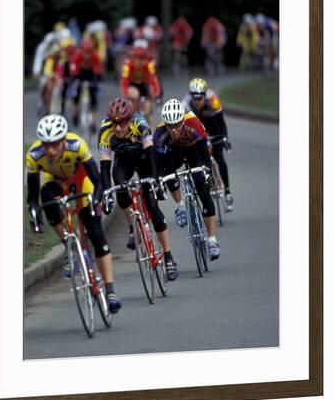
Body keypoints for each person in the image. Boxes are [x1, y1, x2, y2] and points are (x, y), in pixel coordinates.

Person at [26, 114, 122, 313]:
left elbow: (97, 180)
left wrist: (96, 199)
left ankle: (110, 290)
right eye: (46, 144)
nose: (50, 150)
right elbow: (33, 198)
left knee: (96, 233)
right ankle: (71, 247)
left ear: (63, 140)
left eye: (55, 144)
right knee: (47, 199)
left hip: (81, 181)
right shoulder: (34, 155)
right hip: (55, 183)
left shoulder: (77, 145)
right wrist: (35, 216)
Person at [98, 98, 179, 281]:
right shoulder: (105, 131)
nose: (117, 127)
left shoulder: (140, 124)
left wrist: (155, 181)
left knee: (152, 204)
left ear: (129, 119)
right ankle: (132, 227)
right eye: (114, 122)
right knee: (119, 190)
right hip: (123, 161)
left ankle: (168, 257)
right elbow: (104, 167)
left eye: (122, 123)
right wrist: (106, 195)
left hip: (144, 160)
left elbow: (152, 155)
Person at [153, 99, 223, 261]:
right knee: (168, 172)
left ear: (183, 120)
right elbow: (157, 161)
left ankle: (212, 241)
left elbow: (205, 155)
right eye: (170, 126)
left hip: (195, 151)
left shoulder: (194, 123)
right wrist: (158, 181)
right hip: (174, 153)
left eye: (177, 125)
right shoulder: (160, 132)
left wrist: (207, 176)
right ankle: (180, 206)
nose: (174, 130)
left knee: (204, 189)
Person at [183, 78, 234, 210]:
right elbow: (185, 127)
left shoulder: (213, 101)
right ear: (190, 96)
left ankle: (227, 192)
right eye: (194, 97)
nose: (197, 101)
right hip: (198, 128)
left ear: (205, 95)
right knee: (203, 161)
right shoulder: (186, 104)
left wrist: (224, 139)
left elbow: (221, 122)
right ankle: (208, 185)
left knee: (219, 158)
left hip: (213, 126)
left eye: (200, 98)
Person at [120, 45, 162, 127]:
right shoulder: (127, 65)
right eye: (138, 59)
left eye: (142, 59)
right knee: (135, 95)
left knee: (148, 109)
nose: (140, 62)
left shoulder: (149, 65)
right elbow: (123, 82)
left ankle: (149, 130)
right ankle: (133, 116)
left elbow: (154, 80)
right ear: (133, 58)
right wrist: (126, 95)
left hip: (144, 85)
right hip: (132, 85)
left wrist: (157, 94)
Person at [70, 38, 103, 133]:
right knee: (76, 91)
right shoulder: (78, 54)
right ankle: (75, 112)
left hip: (90, 74)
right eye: (86, 52)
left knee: (94, 94)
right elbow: (73, 66)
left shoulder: (95, 55)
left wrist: (97, 79)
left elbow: (98, 67)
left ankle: (93, 121)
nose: (87, 55)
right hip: (79, 73)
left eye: (89, 52)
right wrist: (75, 76)